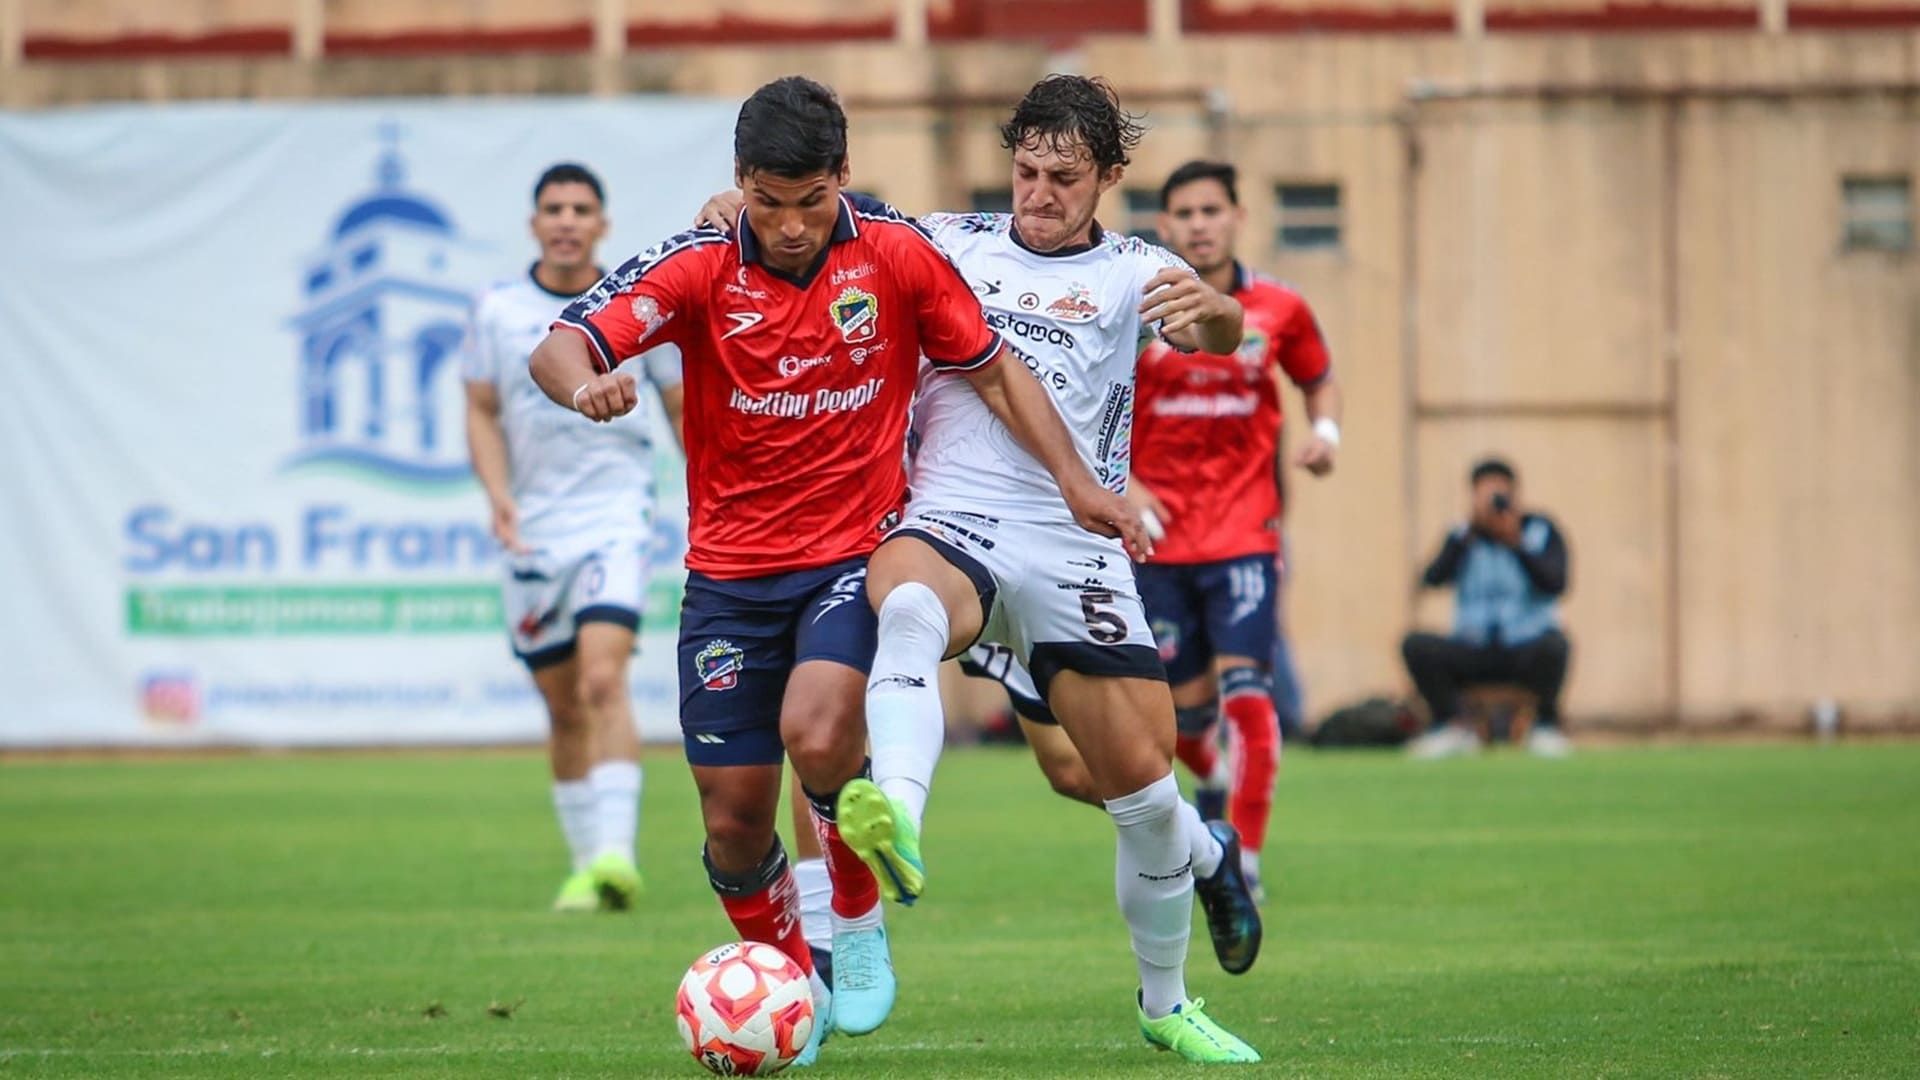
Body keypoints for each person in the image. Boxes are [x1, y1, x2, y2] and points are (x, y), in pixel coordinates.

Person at [528, 76, 1133, 1058]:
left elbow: (991, 369)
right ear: (740, 184)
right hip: (727, 577)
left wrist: (1076, 481)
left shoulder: (893, 254)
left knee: (817, 734)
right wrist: (587, 385)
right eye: (769, 203)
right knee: (731, 824)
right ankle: (790, 985)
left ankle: (854, 930)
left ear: (843, 179)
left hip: (855, 556)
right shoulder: (694, 264)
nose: (793, 225)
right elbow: (559, 346)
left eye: (811, 201)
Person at [804, 76, 1263, 1063]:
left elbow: (1225, 338)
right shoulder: (945, 241)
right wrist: (727, 209)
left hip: (1072, 540)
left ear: (1106, 177)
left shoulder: (1138, 269)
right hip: (954, 516)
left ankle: (1167, 993)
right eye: (1025, 171)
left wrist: (1220, 310)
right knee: (911, 606)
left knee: (1129, 789)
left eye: (1063, 177)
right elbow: (822, 221)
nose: (1039, 193)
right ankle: (902, 824)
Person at [464, 163, 682, 913]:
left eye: (580, 208)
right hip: (534, 529)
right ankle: (587, 863)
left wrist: (713, 493)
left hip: (615, 518)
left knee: (601, 679)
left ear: (602, 224)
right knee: (562, 706)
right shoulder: (496, 309)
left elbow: (684, 411)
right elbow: (482, 410)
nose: (565, 219)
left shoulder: (635, 308)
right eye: (553, 208)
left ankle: (619, 855)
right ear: (535, 224)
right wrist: (497, 495)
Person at [1129, 160, 1343, 902]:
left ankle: (1244, 861)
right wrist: (1122, 480)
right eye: (1183, 212)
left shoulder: (1278, 307)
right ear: (1164, 226)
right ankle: (1211, 772)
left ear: (1236, 217)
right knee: (1183, 720)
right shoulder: (1138, 301)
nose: (1198, 223)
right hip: (1157, 540)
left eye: (1211, 209)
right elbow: (1093, 397)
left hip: (1246, 533)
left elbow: (1318, 374)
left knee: (1250, 698)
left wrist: (1327, 431)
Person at [1402, 457, 1573, 759]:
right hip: (1474, 646)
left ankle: (1545, 727)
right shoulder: (1462, 536)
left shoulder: (1539, 530)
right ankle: (1452, 726)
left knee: (1556, 646)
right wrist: (1466, 536)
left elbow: (1556, 582)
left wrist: (1515, 542)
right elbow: (1432, 578)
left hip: (1524, 644)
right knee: (1417, 645)